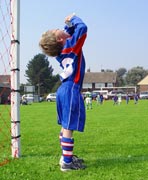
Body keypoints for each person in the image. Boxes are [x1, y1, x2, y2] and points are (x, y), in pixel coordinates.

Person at [39, 14, 87, 171]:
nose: (58, 28)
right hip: (70, 89)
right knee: (68, 127)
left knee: (65, 126)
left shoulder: (63, 49)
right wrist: (74, 18)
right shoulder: (71, 45)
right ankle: (67, 163)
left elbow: (67, 33)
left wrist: (67, 26)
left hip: (63, 90)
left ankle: (65, 157)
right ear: (58, 39)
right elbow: (82, 28)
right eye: (55, 30)